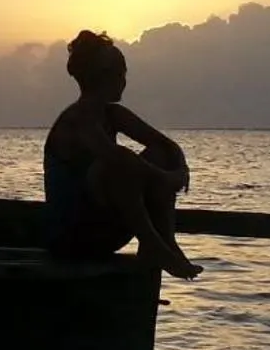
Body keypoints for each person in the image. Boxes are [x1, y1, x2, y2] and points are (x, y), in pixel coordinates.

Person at [43, 30, 202, 279]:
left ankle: (164, 242)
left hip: (110, 230)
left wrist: (180, 169)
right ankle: (154, 245)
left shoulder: (113, 114)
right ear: (103, 77)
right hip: (74, 237)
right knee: (115, 167)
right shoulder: (78, 119)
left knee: (160, 154)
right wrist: (167, 179)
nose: (125, 80)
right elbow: (118, 159)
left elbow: (166, 145)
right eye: (120, 74)